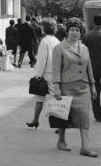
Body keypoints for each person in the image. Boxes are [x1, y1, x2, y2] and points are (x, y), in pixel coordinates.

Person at [52, 18, 97, 157]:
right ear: (67, 31)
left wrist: (93, 85)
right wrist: (57, 87)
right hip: (66, 87)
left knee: (85, 117)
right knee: (64, 116)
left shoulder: (84, 48)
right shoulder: (59, 48)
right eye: (72, 30)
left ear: (81, 33)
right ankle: (61, 141)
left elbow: (89, 68)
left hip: (83, 87)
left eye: (77, 30)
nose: (75, 33)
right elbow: (56, 69)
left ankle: (85, 147)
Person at [26, 18, 60, 129]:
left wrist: (38, 76)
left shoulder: (44, 41)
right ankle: (35, 120)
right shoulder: (57, 40)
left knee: (44, 99)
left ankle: (59, 125)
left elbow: (42, 60)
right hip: (54, 73)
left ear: (44, 29)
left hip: (46, 74)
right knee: (47, 98)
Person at [82, 14, 101, 121]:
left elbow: (83, 54)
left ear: (94, 22)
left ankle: (98, 115)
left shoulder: (87, 36)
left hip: (92, 68)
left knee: (95, 91)